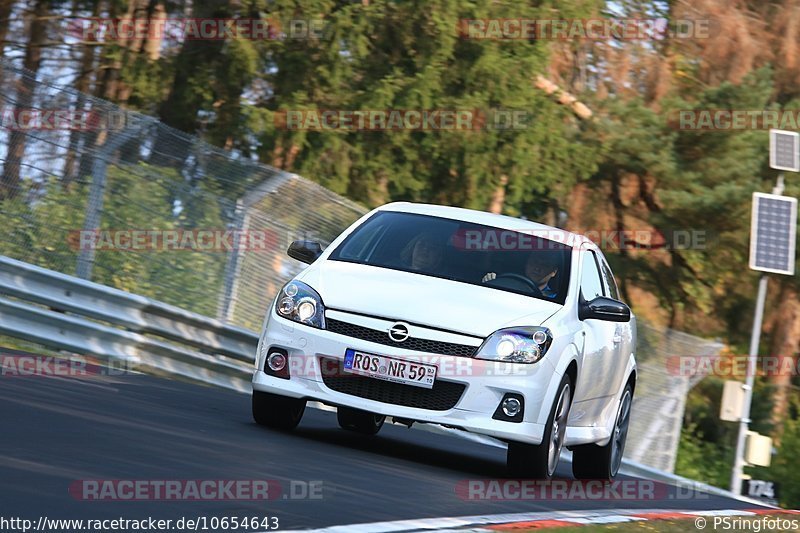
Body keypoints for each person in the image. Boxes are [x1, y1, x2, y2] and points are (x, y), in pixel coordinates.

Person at [482, 251, 560, 298]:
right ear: (527, 263)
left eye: (545, 265)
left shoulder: (554, 299)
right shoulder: (503, 283)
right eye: (535, 262)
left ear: (554, 272)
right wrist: (489, 284)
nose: (537, 268)